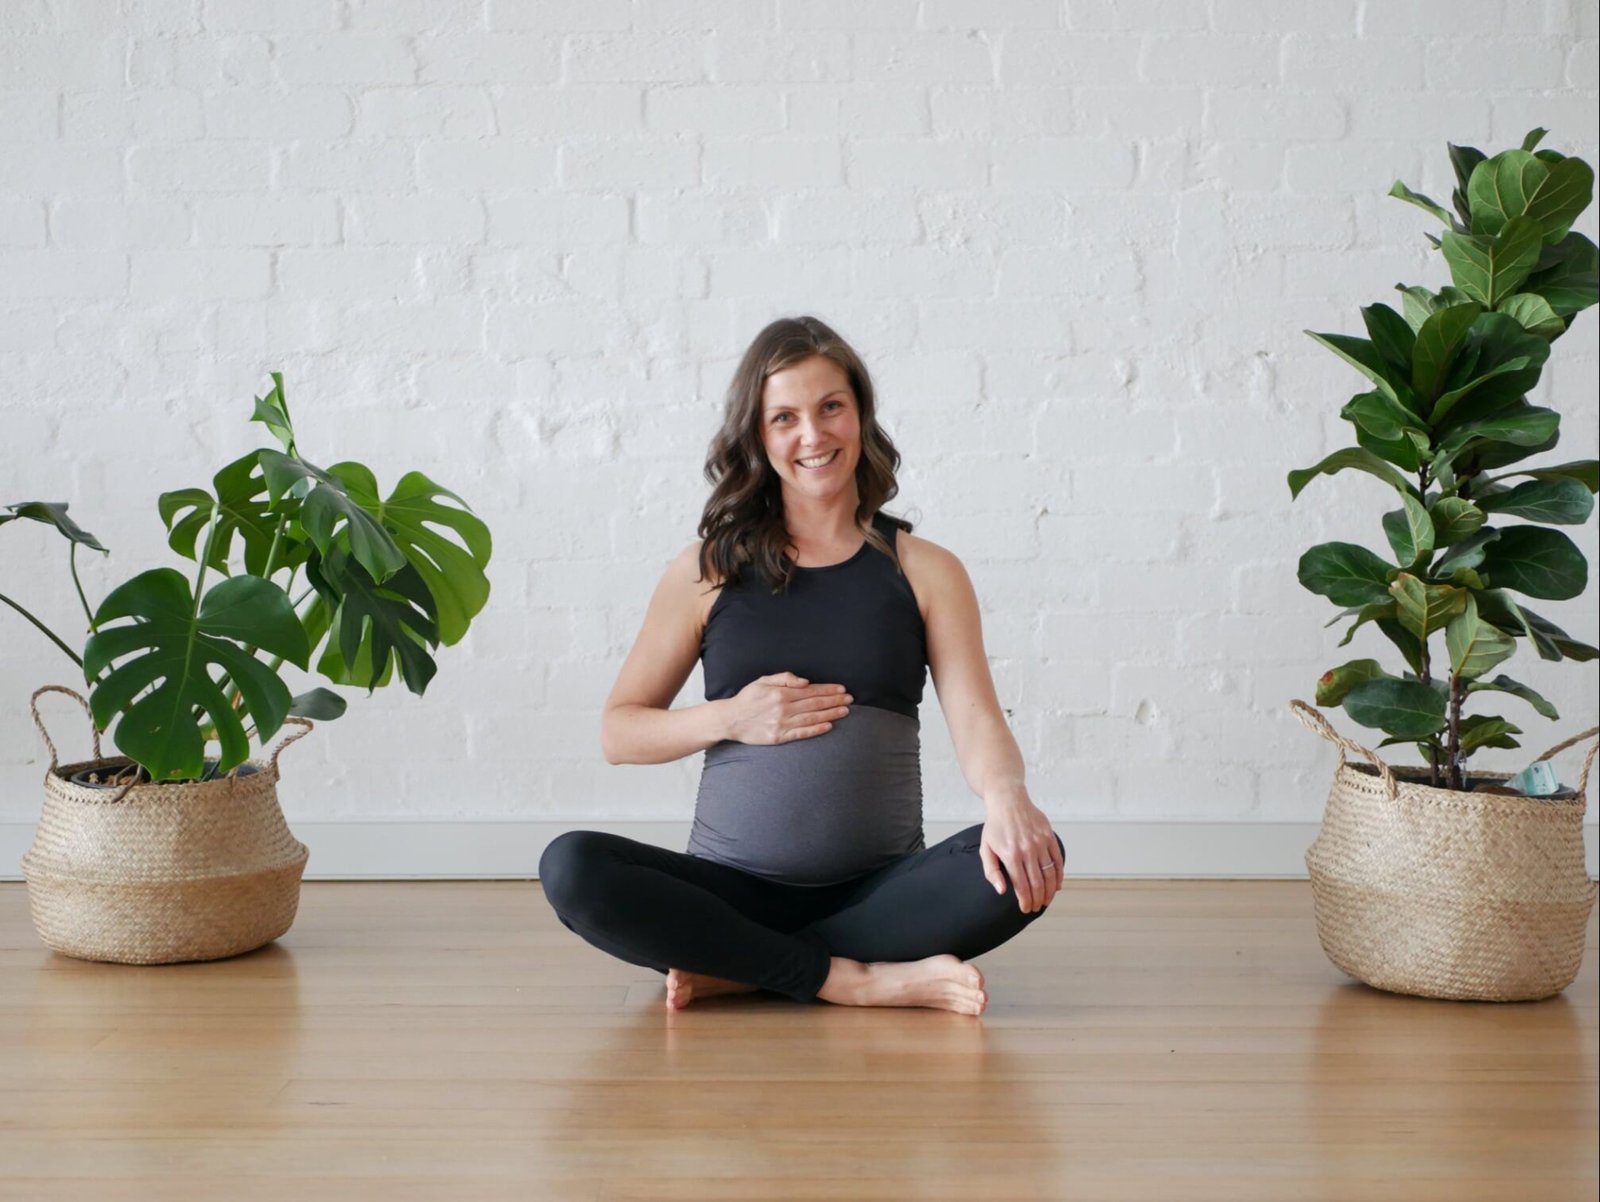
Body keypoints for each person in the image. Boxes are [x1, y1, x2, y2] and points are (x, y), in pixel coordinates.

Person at [538, 315, 1064, 1016]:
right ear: (758, 436)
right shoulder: (707, 571)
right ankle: (853, 979)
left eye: (831, 407)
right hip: (730, 890)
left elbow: (976, 721)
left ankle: (743, 964)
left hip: (878, 891)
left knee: (1031, 857)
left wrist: (1008, 799)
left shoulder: (927, 570)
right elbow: (619, 732)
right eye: (784, 417)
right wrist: (731, 717)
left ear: (860, 415)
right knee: (572, 866)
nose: (813, 435)